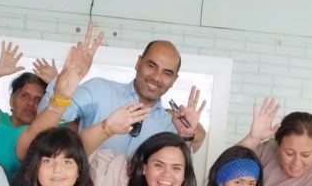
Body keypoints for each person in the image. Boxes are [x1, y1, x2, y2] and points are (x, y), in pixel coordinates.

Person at [39, 39, 206, 156]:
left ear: (174, 80)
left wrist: (185, 135)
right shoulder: (99, 89)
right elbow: (45, 121)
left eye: (167, 73)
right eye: (151, 66)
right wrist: (61, 88)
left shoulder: (172, 126)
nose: (156, 77)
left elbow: (178, 175)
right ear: (138, 63)